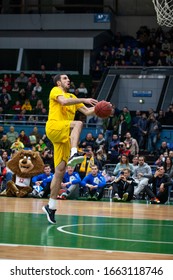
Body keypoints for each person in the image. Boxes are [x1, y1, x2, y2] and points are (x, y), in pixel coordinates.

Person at [42, 74, 99, 224]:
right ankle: (74, 153)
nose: (68, 80)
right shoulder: (55, 90)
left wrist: (101, 108)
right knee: (78, 124)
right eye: (65, 78)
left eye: (68, 79)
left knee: (60, 171)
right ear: (59, 82)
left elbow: (87, 112)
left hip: (64, 135)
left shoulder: (73, 96)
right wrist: (84, 99)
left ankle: (51, 207)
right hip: (54, 127)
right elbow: (64, 101)